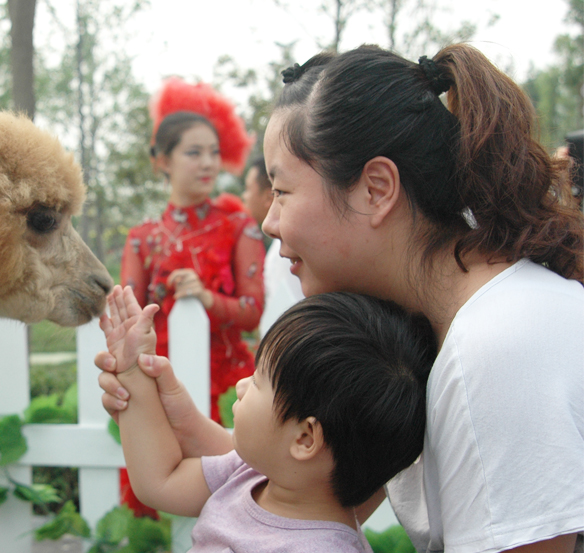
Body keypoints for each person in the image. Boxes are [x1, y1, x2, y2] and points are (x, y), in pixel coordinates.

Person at [98, 44, 584, 553]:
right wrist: (168, 412)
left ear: (376, 189)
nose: (268, 221)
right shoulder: (423, 330)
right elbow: (290, 481)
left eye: (282, 192)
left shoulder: (494, 350)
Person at [100, 285, 436, 552]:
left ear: (305, 438)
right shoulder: (253, 475)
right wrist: (133, 374)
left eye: (260, 380)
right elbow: (161, 481)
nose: (242, 385)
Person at [121, 77, 265, 424]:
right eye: (194, 153)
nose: (208, 163)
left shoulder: (239, 227)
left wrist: (206, 298)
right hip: (154, 387)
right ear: (162, 161)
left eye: (214, 152)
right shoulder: (142, 237)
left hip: (225, 389)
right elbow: (129, 319)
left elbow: (252, 312)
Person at [242, 155, 304, 335]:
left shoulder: (285, 252)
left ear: (268, 195)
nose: (243, 197)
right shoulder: (279, 247)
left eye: (247, 189)